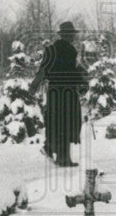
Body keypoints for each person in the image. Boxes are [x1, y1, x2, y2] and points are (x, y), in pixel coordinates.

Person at [30, 21, 88, 167]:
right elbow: (74, 72)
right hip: (67, 91)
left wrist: (34, 86)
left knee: (57, 123)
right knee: (68, 123)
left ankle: (62, 157)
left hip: (54, 91)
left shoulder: (51, 50)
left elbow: (43, 70)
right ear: (68, 35)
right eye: (72, 34)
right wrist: (82, 82)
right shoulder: (70, 51)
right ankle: (51, 149)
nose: (74, 37)